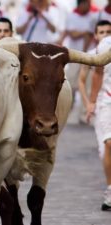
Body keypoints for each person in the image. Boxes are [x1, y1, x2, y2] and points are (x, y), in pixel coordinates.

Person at [87, 35, 111, 211]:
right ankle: (110, 190)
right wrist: (92, 102)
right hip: (108, 101)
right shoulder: (106, 44)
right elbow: (97, 72)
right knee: (109, 143)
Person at [79, 20, 111, 125]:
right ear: (95, 36)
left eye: (108, 32)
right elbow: (81, 81)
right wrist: (88, 103)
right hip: (99, 102)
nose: (105, 35)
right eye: (101, 32)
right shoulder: (90, 56)